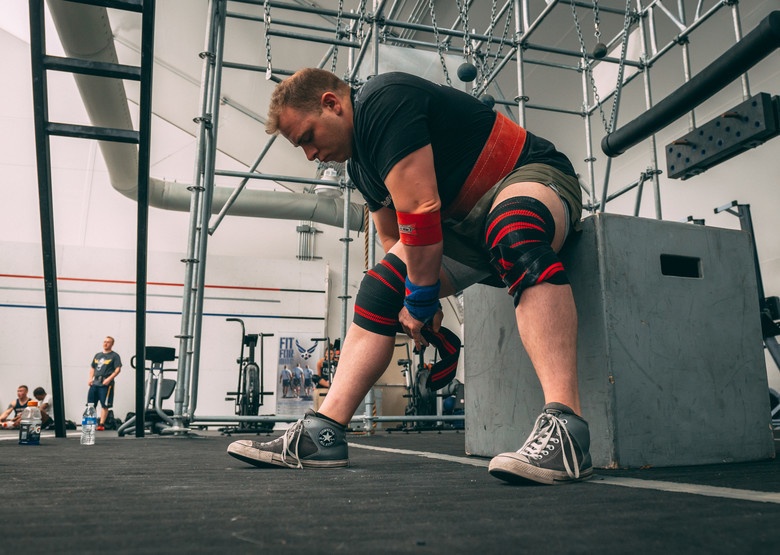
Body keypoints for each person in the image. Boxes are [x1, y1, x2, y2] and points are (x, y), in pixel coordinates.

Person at [227, 69, 591, 485]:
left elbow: (419, 209)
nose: (310, 155)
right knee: (379, 289)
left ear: (332, 103)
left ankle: (567, 431)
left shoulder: (384, 100)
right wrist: (410, 297)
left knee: (514, 230)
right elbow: (391, 236)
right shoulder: (361, 167)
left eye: (308, 137)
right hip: (463, 228)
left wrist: (421, 297)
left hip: (527, 178)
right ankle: (322, 433)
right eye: (301, 147)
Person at [88, 336, 122, 431]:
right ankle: (90, 423)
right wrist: (90, 379)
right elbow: (92, 367)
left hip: (106, 383)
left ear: (112, 344)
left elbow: (118, 369)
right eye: (104, 342)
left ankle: (101, 424)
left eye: (108, 342)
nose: (105, 343)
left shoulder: (114, 356)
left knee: (105, 404)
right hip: (95, 382)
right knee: (91, 404)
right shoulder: (98, 355)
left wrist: (109, 379)